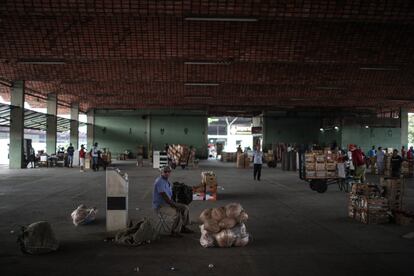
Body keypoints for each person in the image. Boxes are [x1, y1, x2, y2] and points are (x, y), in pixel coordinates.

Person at [152, 166, 193, 237]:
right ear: (161, 173)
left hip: (168, 203)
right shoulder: (159, 182)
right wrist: (175, 205)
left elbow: (170, 196)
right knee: (176, 212)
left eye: (169, 172)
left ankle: (183, 227)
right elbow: (165, 198)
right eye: (165, 172)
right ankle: (173, 231)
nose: (167, 173)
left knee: (185, 208)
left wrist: (178, 204)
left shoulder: (167, 181)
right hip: (160, 206)